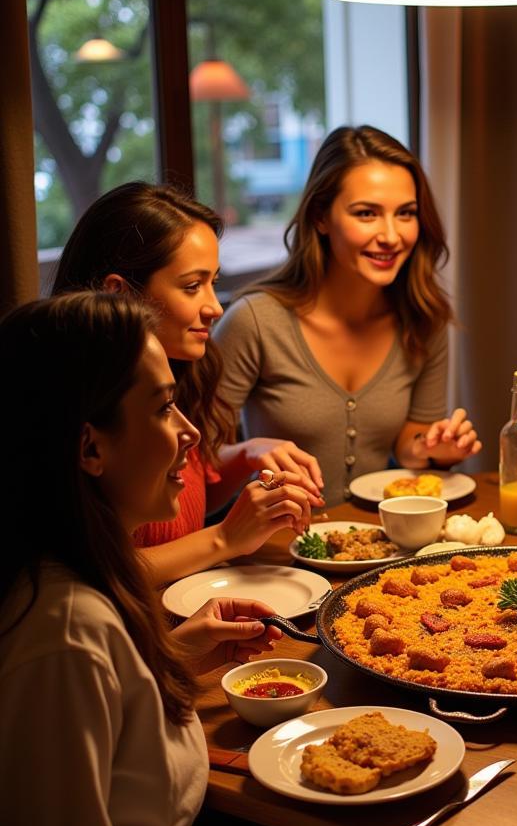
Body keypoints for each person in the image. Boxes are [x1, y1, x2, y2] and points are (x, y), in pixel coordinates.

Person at [0, 292, 329, 826]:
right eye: (163, 407)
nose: (191, 432)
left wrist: (177, 652)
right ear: (90, 449)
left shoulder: (87, 574)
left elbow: (107, 717)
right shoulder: (64, 633)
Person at [52, 182, 323, 584]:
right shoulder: (75, 411)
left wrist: (246, 454)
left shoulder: (184, 371)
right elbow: (88, 576)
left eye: (213, 282)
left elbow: (186, 503)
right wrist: (224, 539)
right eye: (192, 286)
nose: (214, 307)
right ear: (118, 294)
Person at [215, 125, 481, 505]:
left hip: (377, 546)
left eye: (405, 213)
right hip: (273, 554)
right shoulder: (254, 322)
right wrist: (249, 452)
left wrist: (432, 449)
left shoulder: (424, 319)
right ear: (321, 217)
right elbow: (197, 472)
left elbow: (410, 445)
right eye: (366, 213)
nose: (391, 235)